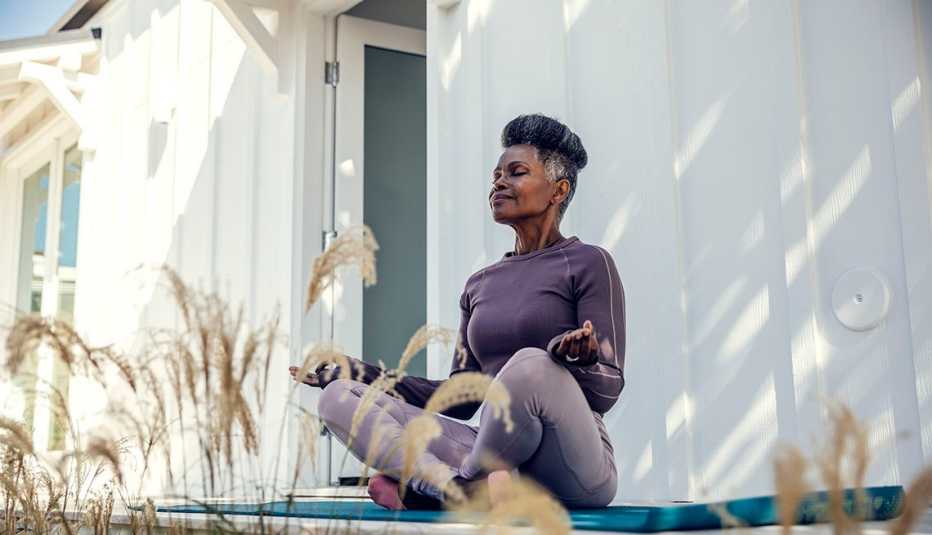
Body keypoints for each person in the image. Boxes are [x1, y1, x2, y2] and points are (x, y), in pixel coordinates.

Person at [290, 113, 625, 510]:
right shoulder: (480, 284)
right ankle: (455, 487)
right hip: (497, 460)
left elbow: (608, 389)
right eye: (496, 175)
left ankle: (451, 487)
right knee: (338, 397)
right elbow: (461, 397)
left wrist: (581, 361)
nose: (499, 183)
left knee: (531, 364)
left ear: (558, 190)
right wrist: (358, 372)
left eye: (516, 173)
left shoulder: (588, 262)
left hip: (574, 467)